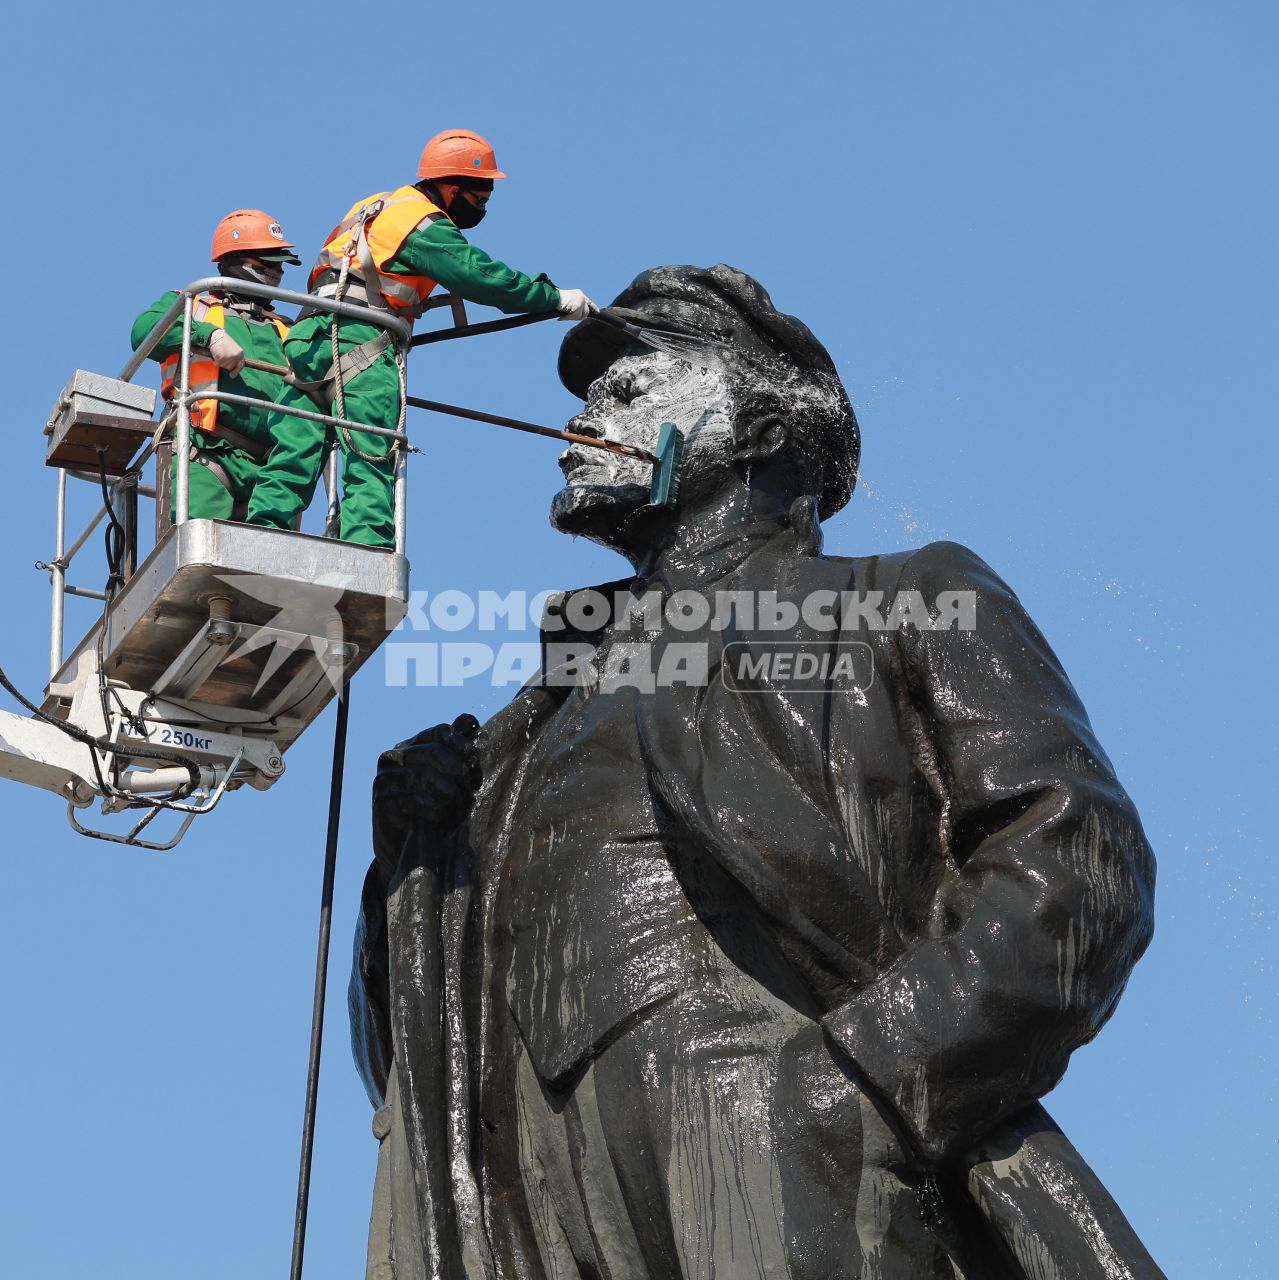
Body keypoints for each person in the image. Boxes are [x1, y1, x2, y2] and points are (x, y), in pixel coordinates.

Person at [350, 266, 1165, 1278]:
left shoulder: (905, 596)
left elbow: (1076, 858)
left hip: (773, 1128)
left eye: (626, 391)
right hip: (529, 1188)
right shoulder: (526, 718)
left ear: (766, 433)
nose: (577, 421)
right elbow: (403, 1066)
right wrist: (413, 874)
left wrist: (862, 1080)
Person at [246, 129, 599, 548]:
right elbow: (481, 277)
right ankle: (367, 552)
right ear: (451, 188)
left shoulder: (373, 206)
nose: (483, 209)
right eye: (479, 199)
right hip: (361, 339)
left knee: (293, 449)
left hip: (308, 337)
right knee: (370, 450)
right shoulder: (422, 223)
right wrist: (554, 298)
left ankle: (258, 539)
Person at [131, 210, 301, 523]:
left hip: (273, 471)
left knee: (265, 567)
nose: (278, 271)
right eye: (269, 262)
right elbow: (144, 332)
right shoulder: (195, 305)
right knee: (203, 561)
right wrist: (208, 336)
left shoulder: (286, 329)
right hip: (207, 454)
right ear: (235, 260)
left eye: (281, 264)